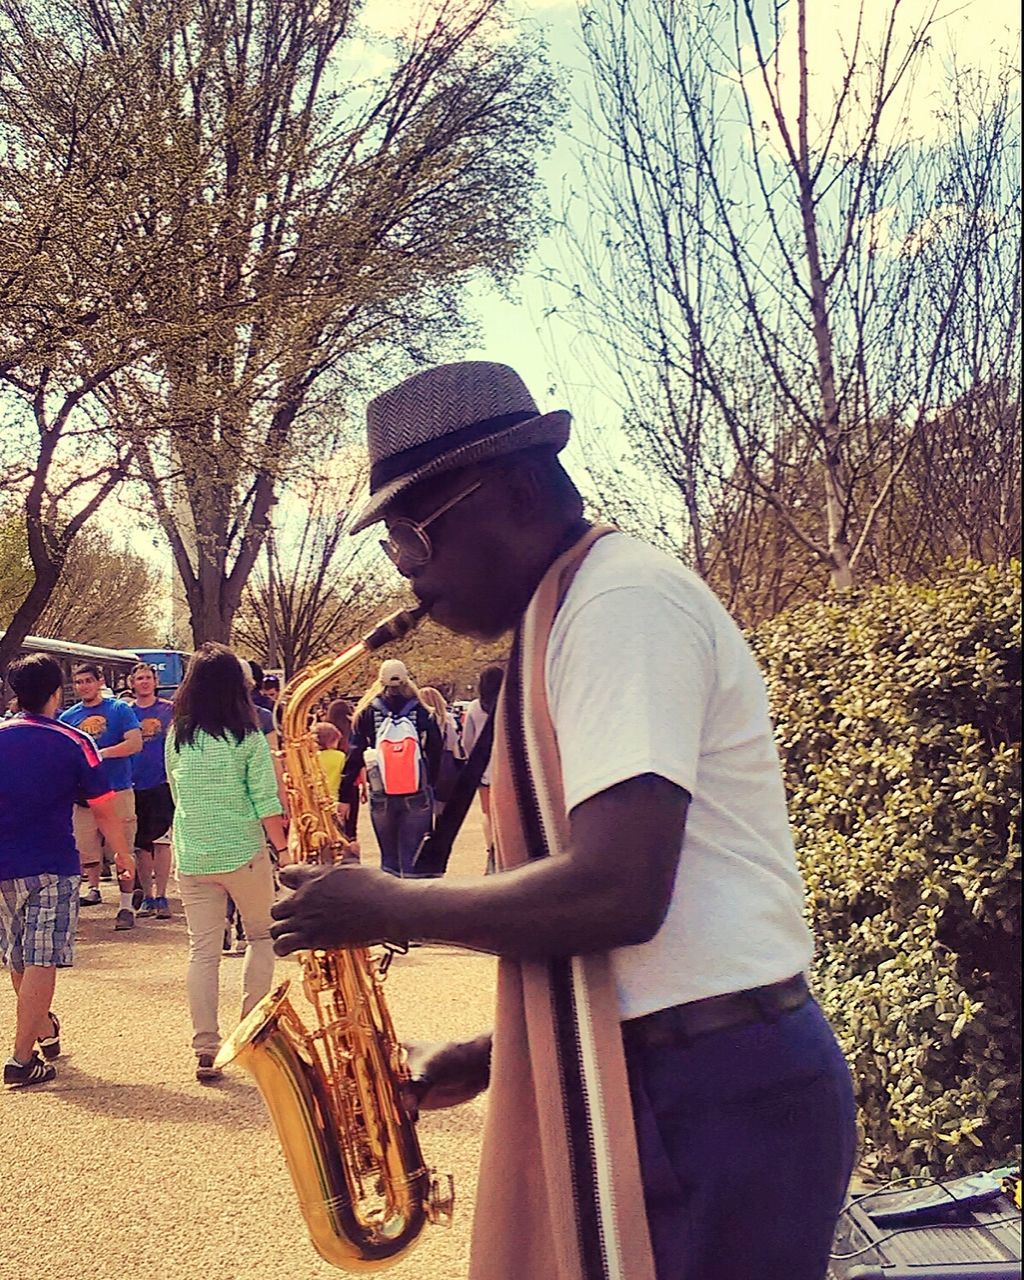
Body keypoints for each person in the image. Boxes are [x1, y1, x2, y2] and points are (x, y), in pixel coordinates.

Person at [270, 361, 857, 1280]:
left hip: (713, 1098)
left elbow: (620, 892)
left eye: (412, 536)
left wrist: (386, 903)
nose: (406, 572)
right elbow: (658, 950)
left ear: (513, 486)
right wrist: (496, 1053)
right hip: (692, 1076)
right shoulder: (579, 609)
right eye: (392, 548)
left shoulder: (617, 607)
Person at [0, 655, 135, 1087]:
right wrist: (122, 854)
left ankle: (41, 1029)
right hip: (54, 863)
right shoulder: (75, 741)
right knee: (41, 957)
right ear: (57, 693)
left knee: (17, 955)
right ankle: (22, 1058)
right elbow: (104, 809)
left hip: (4, 863)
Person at [165, 643, 288, 1082]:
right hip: (244, 853)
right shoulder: (248, 736)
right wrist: (285, 851)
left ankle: (205, 1043)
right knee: (261, 936)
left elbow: (177, 794)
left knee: (203, 951)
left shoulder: (178, 733)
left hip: (194, 854)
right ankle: (248, 1033)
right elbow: (265, 802)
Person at [337, 660, 442, 878]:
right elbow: (436, 749)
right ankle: (413, 905)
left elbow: (354, 755)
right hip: (416, 789)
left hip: (381, 789)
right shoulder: (422, 710)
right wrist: (429, 782)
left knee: (389, 859)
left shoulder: (366, 712)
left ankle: (391, 904)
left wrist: (345, 795)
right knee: (412, 856)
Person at [59, 662, 142, 927]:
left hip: (117, 789)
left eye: (88, 681)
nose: (84, 686)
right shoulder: (68, 718)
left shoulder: (120, 710)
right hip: (83, 797)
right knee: (84, 851)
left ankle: (127, 906)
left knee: (122, 851)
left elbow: (135, 743)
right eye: (79, 682)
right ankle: (92, 890)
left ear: (100, 681)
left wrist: (101, 753)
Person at [127, 663, 175, 919]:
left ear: (155, 681)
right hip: (133, 785)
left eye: (148, 678)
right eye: (139, 678)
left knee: (162, 841)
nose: (144, 682)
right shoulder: (126, 712)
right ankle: (147, 896)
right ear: (131, 683)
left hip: (162, 784)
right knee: (141, 845)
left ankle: (163, 895)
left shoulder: (170, 710)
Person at [460, 665, 503, 870]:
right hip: (507, 768)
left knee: (487, 813)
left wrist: (472, 759)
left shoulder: (475, 708)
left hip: (484, 768)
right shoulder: (510, 704)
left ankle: (491, 849)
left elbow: (467, 740)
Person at [418, 685, 465, 819]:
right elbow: (454, 745)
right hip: (445, 765)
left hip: (424, 764)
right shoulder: (448, 720)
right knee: (442, 809)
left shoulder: (420, 720)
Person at [325, 698, 360, 840]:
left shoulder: (327, 731)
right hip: (351, 785)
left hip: (328, 790)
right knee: (350, 826)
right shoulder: (353, 730)